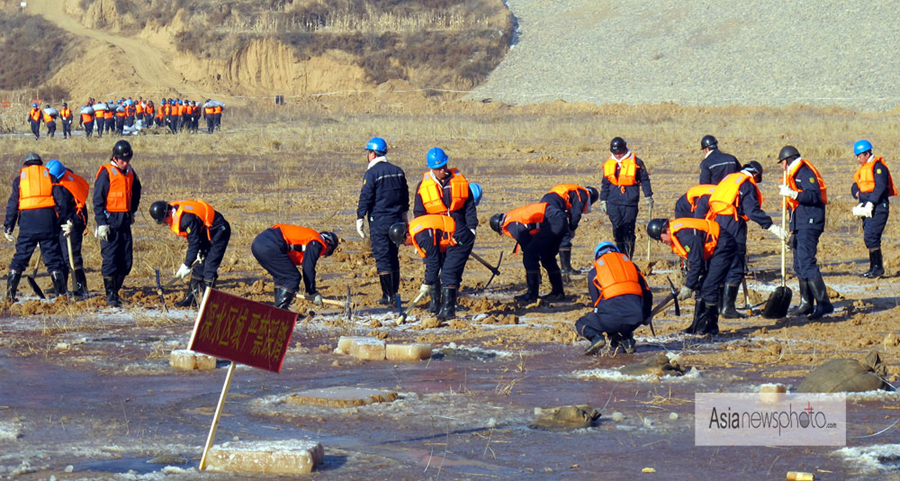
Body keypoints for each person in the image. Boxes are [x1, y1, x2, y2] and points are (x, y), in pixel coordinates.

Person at [705, 161, 788, 318]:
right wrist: (770, 226)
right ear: (755, 175)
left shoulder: (729, 178)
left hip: (716, 223)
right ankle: (728, 309)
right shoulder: (747, 184)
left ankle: (719, 306)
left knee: (720, 263)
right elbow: (751, 210)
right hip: (733, 224)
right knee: (735, 264)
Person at [412, 147, 478, 312]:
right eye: (438, 168)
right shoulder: (423, 186)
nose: (443, 170)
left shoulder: (460, 181)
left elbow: (469, 207)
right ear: (431, 168)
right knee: (434, 265)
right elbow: (419, 214)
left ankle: (451, 302)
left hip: (457, 231)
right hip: (435, 235)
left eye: (444, 166)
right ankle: (435, 303)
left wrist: (471, 228)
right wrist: (419, 239)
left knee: (453, 269)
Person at [647, 217, 736, 335]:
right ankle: (697, 325)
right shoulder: (677, 234)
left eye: (660, 238)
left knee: (709, 286)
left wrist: (688, 286)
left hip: (723, 245)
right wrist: (693, 283)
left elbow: (696, 263)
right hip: (710, 247)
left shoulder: (686, 238)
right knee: (700, 285)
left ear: (666, 230)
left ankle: (711, 326)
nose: (662, 242)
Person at [4, 153, 74, 301]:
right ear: (41, 164)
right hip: (47, 224)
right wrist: (65, 220)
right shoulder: (50, 177)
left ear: (25, 165)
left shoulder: (19, 180)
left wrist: (8, 226)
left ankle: (9, 296)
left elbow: (12, 206)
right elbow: (62, 201)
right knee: (53, 259)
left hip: (27, 226)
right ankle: (61, 296)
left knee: (19, 259)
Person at [777, 145, 832, 319]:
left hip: (810, 222)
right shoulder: (793, 175)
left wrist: (794, 194)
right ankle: (806, 303)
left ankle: (824, 304)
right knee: (799, 264)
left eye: (781, 163)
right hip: (799, 224)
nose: (781, 167)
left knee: (807, 262)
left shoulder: (805, 172)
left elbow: (814, 196)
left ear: (787, 161)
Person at [356, 137, 409, 306]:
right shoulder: (398, 171)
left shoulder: (372, 173)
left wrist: (360, 217)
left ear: (373, 153)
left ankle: (388, 296)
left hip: (379, 221)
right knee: (393, 256)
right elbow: (405, 196)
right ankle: (395, 294)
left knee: (383, 257)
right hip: (397, 221)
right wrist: (404, 217)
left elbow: (366, 197)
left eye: (368, 152)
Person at [149, 199, 231, 307]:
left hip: (219, 232)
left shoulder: (186, 219)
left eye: (164, 220)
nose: (165, 223)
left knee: (209, 268)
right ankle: (191, 299)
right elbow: (195, 237)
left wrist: (186, 265)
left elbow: (194, 243)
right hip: (206, 234)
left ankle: (208, 303)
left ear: (168, 212)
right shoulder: (178, 214)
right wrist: (197, 254)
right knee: (198, 267)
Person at [576, 242, 652, 355]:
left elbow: (596, 304)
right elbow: (647, 294)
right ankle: (627, 341)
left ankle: (597, 338)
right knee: (622, 316)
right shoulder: (632, 266)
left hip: (611, 318)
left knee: (581, 323)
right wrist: (646, 315)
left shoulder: (594, 272)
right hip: (636, 317)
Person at [93, 140, 142, 307]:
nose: (125, 163)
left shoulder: (130, 171)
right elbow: (97, 200)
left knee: (126, 261)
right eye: (122, 160)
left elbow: (136, 191)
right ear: (115, 158)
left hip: (125, 221)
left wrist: (132, 211)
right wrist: (101, 223)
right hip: (109, 222)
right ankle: (111, 296)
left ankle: (116, 290)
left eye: (128, 159)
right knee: (110, 259)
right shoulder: (106, 173)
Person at [490, 202, 567, 303]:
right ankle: (558, 293)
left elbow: (525, 241)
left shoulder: (510, 224)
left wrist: (534, 268)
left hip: (552, 221)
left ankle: (532, 295)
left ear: (500, 229)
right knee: (547, 257)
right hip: (559, 218)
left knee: (529, 256)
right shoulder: (512, 216)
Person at [251, 225, 338, 310]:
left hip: (258, 243)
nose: (323, 254)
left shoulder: (310, 237)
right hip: (271, 244)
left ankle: (278, 308)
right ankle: (281, 310)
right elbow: (308, 267)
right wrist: (311, 292)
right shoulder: (317, 242)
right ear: (328, 243)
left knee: (282, 278)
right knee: (292, 277)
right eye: (328, 252)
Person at [390, 215, 459, 319]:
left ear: (407, 235)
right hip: (446, 240)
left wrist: (427, 283)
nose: (405, 245)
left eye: (403, 242)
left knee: (447, 274)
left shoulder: (421, 236)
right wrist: (429, 280)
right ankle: (435, 306)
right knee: (438, 272)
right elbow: (431, 261)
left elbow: (433, 262)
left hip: (457, 237)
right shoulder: (415, 231)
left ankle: (448, 309)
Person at [599, 137, 653, 257]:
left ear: (625, 149)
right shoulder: (609, 163)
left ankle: (628, 257)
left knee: (628, 230)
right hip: (613, 202)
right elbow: (605, 184)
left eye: (620, 153)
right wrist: (603, 200)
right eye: (615, 153)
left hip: (630, 202)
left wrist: (648, 196)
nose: (618, 155)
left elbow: (644, 180)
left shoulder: (637, 162)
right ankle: (620, 256)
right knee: (617, 230)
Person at [851, 140, 896, 278]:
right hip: (866, 208)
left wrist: (871, 202)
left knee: (871, 236)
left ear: (867, 154)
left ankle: (877, 268)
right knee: (869, 237)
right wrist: (857, 193)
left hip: (878, 207)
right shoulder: (863, 169)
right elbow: (855, 185)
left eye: (860, 156)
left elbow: (880, 186)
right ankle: (873, 267)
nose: (858, 159)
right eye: (857, 156)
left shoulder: (878, 167)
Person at [46, 160, 90, 299]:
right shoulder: (60, 181)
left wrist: (70, 223)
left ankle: (81, 288)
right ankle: (61, 287)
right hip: (64, 222)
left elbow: (63, 209)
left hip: (74, 222)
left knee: (71, 256)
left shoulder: (65, 186)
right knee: (59, 254)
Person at [540, 184, 599, 275]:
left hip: (543, 205)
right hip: (552, 207)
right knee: (565, 235)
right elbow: (576, 214)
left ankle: (549, 266)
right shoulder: (583, 194)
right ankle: (566, 269)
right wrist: (571, 228)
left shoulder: (574, 191)